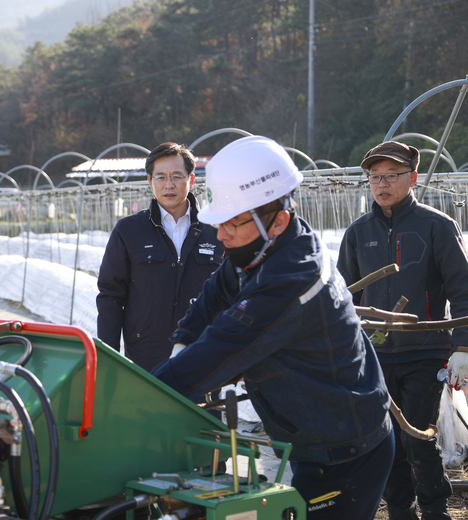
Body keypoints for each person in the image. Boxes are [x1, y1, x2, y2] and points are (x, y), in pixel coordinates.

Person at [152, 136, 393, 520]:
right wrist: (181, 342)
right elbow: (215, 293)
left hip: (346, 449)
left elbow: (224, 346)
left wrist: (143, 394)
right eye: (219, 223)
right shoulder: (267, 244)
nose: (220, 235)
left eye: (231, 223)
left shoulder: (291, 280)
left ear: (277, 219)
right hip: (311, 435)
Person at [337, 141, 468, 520]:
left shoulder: (437, 226)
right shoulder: (358, 232)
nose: (381, 184)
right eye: (374, 177)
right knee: (386, 438)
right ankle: (399, 509)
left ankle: (434, 508)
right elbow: (344, 295)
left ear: (411, 178)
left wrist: (462, 345)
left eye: (391, 176)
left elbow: (461, 288)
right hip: (375, 354)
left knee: (418, 436)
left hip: (425, 350)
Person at [96, 142, 222, 371]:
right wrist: (108, 357)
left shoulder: (216, 231)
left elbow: (231, 296)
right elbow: (111, 296)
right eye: (161, 177)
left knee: (198, 408)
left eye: (177, 176)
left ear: (191, 180)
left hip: (202, 354)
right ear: (150, 182)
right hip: (145, 356)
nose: (169, 185)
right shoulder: (129, 231)